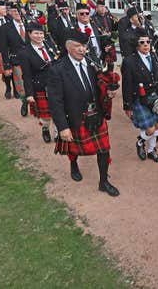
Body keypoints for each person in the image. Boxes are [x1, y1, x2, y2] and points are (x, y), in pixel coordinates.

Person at [48, 29, 120, 197]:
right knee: (73, 149)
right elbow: (55, 102)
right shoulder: (57, 70)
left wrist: (107, 93)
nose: (82, 50)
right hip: (74, 116)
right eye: (77, 46)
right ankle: (73, 164)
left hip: (96, 113)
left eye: (84, 46)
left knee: (104, 149)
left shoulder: (91, 63)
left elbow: (98, 86)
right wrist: (63, 127)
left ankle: (103, 182)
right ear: (68, 48)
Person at [121, 34, 158, 163]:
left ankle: (152, 150)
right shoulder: (129, 61)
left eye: (148, 41)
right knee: (150, 128)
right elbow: (127, 85)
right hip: (139, 98)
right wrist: (127, 105)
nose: (146, 44)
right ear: (137, 45)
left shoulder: (154, 56)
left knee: (157, 125)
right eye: (142, 42)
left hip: (155, 96)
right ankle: (140, 142)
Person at [18, 22, 59, 143]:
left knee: (59, 111)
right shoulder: (25, 53)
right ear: (29, 34)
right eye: (36, 33)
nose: (39, 36)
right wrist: (29, 94)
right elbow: (27, 75)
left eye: (41, 33)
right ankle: (45, 128)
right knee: (46, 116)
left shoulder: (50, 45)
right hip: (40, 86)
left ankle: (57, 132)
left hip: (56, 84)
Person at [1, 3, 29, 106]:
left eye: (18, 10)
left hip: (31, 59)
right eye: (14, 11)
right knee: (21, 86)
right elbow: (4, 48)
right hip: (16, 61)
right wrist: (6, 66)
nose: (17, 13)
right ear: (9, 13)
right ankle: (24, 103)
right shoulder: (5, 28)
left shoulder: (29, 24)